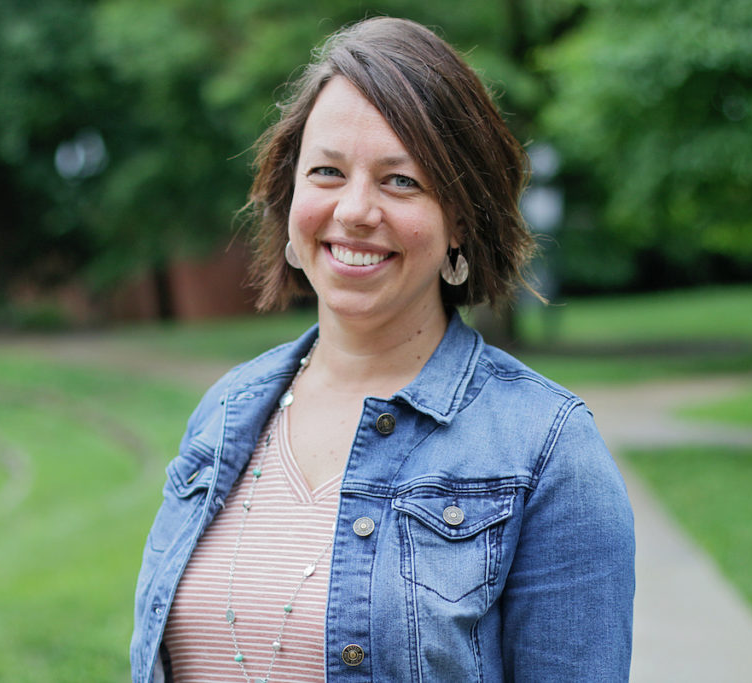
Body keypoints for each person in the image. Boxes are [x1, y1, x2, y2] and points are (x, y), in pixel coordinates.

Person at [131, 16, 634, 683]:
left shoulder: (547, 453)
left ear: (460, 217)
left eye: (401, 180)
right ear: (291, 199)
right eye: (327, 172)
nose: (356, 210)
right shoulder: (226, 412)